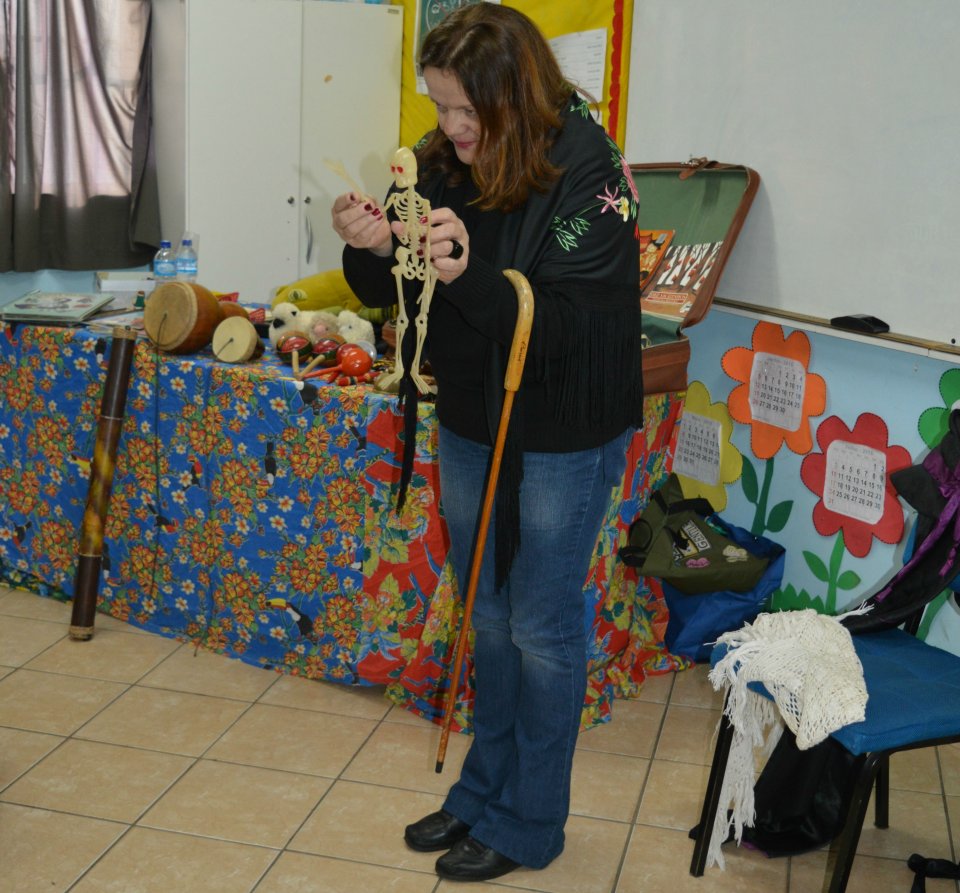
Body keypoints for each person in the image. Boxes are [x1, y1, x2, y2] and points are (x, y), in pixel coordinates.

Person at [330, 4, 643, 883]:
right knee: (487, 614)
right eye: (441, 107)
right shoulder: (439, 159)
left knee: (541, 627)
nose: (452, 129)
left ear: (516, 94)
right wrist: (371, 245)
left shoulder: (591, 168)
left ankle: (531, 818)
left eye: (470, 111)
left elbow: (574, 321)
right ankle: (482, 791)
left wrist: (471, 274)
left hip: (562, 425)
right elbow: (395, 283)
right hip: (471, 410)